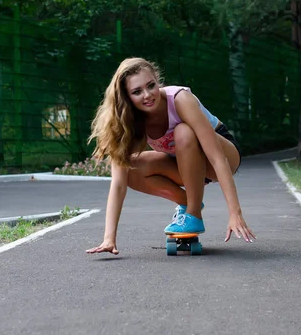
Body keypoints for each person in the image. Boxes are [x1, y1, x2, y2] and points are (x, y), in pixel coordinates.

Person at [85, 57, 255, 255]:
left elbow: (217, 158)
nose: (147, 95)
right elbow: (119, 184)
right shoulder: (128, 122)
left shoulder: (179, 100)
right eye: (137, 92)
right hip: (185, 165)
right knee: (128, 168)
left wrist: (235, 212)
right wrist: (109, 238)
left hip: (222, 156)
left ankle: (193, 214)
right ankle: (187, 201)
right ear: (126, 97)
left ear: (158, 80)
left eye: (151, 85)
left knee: (183, 131)